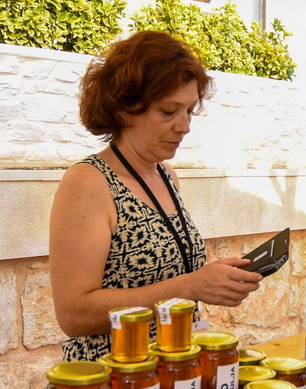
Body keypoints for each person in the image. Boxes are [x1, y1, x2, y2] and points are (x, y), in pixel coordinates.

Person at [50, 30, 263, 360]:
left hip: (172, 370)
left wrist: (213, 280)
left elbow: (168, 277)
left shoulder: (166, 176)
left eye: (189, 111)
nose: (184, 126)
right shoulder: (88, 183)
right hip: (116, 376)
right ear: (124, 109)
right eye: (168, 111)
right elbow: (74, 315)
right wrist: (190, 286)